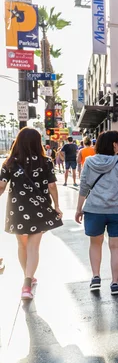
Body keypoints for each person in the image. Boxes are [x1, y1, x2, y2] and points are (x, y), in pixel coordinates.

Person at [0, 128, 63, 300]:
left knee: (22, 245)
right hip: (39, 209)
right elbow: (51, 185)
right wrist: (57, 205)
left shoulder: (10, 162)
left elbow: (1, 186)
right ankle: (27, 282)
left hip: (16, 209)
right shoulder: (45, 161)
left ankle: (27, 278)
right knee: (34, 246)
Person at [76, 131, 118, 296]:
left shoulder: (89, 162)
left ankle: (96, 277)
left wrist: (79, 208)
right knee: (116, 247)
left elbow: (84, 186)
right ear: (113, 144)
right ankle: (114, 283)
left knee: (95, 244)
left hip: (94, 209)